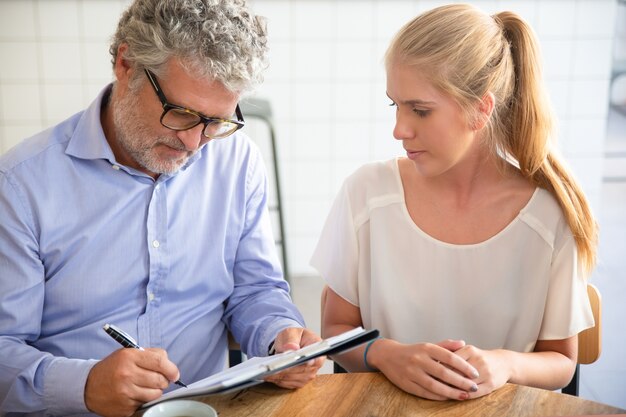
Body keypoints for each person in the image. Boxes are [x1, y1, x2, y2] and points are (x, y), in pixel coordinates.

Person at [0, 1, 324, 416]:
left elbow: (255, 290)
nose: (194, 144)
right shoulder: (21, 186)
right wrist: (83, 385)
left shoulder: (237, 162)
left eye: (217, 122)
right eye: (182, 113)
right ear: (126, 63)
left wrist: (280, 338)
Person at [312, 3, 597, 402]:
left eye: (420, 110)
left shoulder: (548, 218)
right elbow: (335, 330)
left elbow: (561, 361)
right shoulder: (366, 194)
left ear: (481, 109)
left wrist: (505, 364)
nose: (399, 129)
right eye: (395, 105)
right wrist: (387, 354)